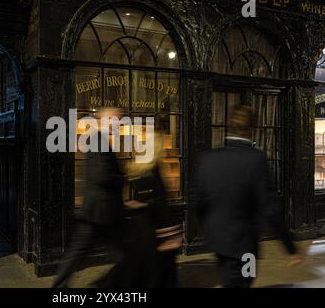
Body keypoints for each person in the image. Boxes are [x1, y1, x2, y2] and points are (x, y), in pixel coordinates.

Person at [191, 105, 303, 288]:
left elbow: (198, 202)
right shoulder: (255, 159)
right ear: (253, 129)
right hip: (246, 247)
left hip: (219, 243)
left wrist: (210, 229)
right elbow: (271, 208)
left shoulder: (208, 158)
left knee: (230, 281)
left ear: (228, 126)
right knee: (245, 281)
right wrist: (290, 247)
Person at [52, 108, 124, 288]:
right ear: (106, 120)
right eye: (115, 120)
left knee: (113, 253)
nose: (118, 123)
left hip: (99, 209)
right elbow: (101, 175)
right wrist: (122, 178)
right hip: (100, 210)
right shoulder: (99, 140)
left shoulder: (100, 140)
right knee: (83, 252)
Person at [98, 132, 182, 288]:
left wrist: (136, 204)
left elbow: (135, 195)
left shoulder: (137, 166)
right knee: (159, 265)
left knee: (140, 262)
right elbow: (159, 200)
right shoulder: (154, 168)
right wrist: (171, 230)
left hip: (140, 222)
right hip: (155, 223)